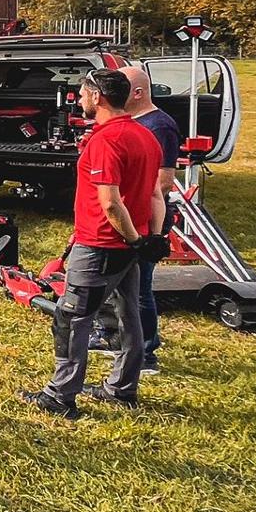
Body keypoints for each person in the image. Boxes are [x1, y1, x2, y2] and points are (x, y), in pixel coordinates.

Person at [20, 69, 166, 419]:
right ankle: (121, 388)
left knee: (73, 318)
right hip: (133, 246)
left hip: (101, 244)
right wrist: (152, 239)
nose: (80, 100)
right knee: (127, 314)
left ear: (98, 97)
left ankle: (60, 395)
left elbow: (112, 203)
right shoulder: (145, 136)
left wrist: (132, 238)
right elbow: (156, 193)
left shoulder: (106, 141)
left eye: (83, 94)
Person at [92, 65, 180, 375]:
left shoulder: (159, 126)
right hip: (120, 222)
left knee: (138, 290)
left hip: (141, 224)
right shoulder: (127, 126)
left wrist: (146, 235)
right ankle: (110, 337)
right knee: (117, 289)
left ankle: (146, 353)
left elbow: (163, 184)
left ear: (138, 93)